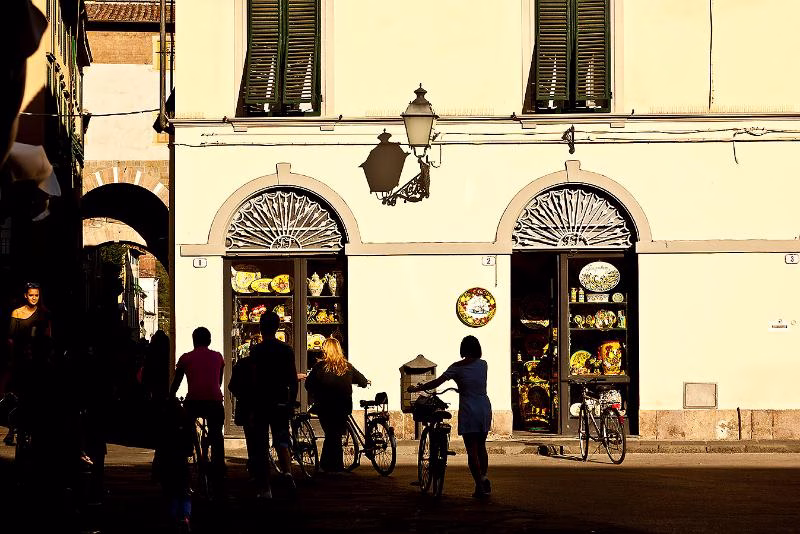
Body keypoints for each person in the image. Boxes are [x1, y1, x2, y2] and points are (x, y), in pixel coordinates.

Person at [407, 335, 493, 498]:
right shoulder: (483, 364)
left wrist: (419, 388)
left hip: (469, 408)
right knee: (481, 446)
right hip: (484, 406)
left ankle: (480, 486)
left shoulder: (456, 367)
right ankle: (483, 478)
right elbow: (474, 381)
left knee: (472, 450)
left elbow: (437, 382)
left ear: (463, 349)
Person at [229, 312, 298, 499]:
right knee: (282, 438)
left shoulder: (256, 352)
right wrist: (291, 402)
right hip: (281, 401)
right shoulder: (286, 350)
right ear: (278, 327)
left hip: (260, 403)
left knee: (260, 445)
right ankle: (287, 472)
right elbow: (293, 380)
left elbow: (253, 381)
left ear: (261, 327)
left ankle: (265, 487)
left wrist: (250, 406)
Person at [169, 327, 225, 494]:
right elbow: (219, 381)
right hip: (214, 401)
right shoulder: (218, 357)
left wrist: (171, 397)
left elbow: (176, 382)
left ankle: (187, 451)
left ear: (194, 340)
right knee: (216, 434)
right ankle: (219, 468)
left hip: (194, 401)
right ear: (209, 340)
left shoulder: (186, 358)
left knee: (184, 429)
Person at [304, 337, 369, 473]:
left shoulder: (319, 367)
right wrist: (364, 383)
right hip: (343, 406)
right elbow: (362, 380)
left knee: (331, 434)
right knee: (335, 434)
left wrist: (317, 392)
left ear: (325, 351)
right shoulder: (347, 366)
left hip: (325, 406)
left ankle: (330, 466)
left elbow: (308, 385)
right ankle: (332, 465)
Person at [5, 282, 50, 445]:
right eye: (31, 295)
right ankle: (13, 429)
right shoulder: (16, 313)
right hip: (19, 359)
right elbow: (11, 338)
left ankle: (31, 430)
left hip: (37, 360)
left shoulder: (44, 314)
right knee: (17, 396)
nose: (34, 298)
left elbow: (47, 337)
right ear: (25, 295)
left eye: (36, 295)